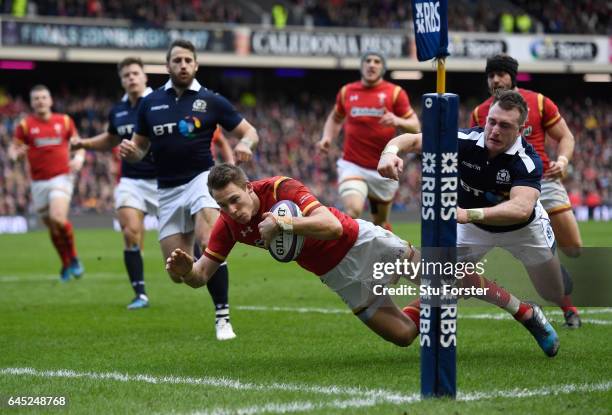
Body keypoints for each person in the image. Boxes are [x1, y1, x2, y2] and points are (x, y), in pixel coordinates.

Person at [165, 163, 559, 357]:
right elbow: (202, 275)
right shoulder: (228, 226)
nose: (231, 210)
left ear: (249, 188)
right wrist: (186, 274)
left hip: (362, 243)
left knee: (446, 276)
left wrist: (285, 226)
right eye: (222, 205)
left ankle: (524, 311)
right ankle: (428, 304)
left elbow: (331, 227)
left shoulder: (281, 188)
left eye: (235, 199)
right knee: (405, 337)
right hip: (338, 276)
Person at [379, 90, 568, 336]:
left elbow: (521, 209)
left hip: (523, 230)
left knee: (552, 292)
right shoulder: (464, 140)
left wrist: (469, 215)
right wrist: (389, 153)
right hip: (471, 227)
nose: (495, 130)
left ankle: (554, 274)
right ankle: (523, 312)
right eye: (492, 122)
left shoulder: (527, 161)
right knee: (442, 277)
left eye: (505, 125)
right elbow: (412, 141)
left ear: (521, 131)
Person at [119, 39, 259, 340]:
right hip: (167, 190)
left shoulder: (211, 100)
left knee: (209, 238)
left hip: (201, 179)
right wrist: (133, 153)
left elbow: (249, 130)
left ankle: (223, 318)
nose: (182, 65)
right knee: (177, 273)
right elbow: (141, 147)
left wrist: (245, 143)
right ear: (167, 66)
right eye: (177, 60)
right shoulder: (149, 103)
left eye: (187, 60)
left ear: (195, 65)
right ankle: (201, 265)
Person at [470, 54, 582, 328]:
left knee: (575, 249)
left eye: (501, 74)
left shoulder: (539, 102)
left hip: (544, 181)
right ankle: (570, 309)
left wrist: (564, 161)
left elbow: (566, 137)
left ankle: (552, 255)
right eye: (491, 75)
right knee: (543, 274)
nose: (496, 79)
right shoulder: (480, 112)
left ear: (513, 76)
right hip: (507, 192)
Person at [71, 57, 156, 309]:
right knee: (130, 232)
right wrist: (83, 143)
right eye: (126, 75)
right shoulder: (117, 110)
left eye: (135, 73)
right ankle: (140, 294)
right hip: (131, 181)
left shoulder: (158, 102)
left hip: (166, 181)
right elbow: (110, 139)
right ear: (121, 80)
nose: (131, 78)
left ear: (144, 77)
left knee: (183, 243)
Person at [317, 51, 420, 230]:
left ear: (382, 68)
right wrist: (327, 137)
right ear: (362, 66)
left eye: (377, 61)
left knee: (380, 223)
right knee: (352, 209)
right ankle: (346, 251)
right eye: (368, 61)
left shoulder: (395, 93)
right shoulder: (347, 92)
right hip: (353, 165)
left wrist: (397, 120)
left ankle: (380, 243)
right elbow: (335, 118)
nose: (372, 64)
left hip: (384, 168)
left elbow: (415, 126)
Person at [9, 85, 85, 282]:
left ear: (50, 100)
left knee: (58, 218)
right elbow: (13, 151)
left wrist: (78, 159)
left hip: (62, 177)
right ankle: (66, 263)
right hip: (38, 183)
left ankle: (75, 257)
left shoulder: (65, 121)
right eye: (36, 98)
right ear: (32, 103)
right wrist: (17, 156)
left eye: (44, 97)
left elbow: (79, 146)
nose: (40, 101)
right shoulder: (25, 125)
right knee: (52, 227)